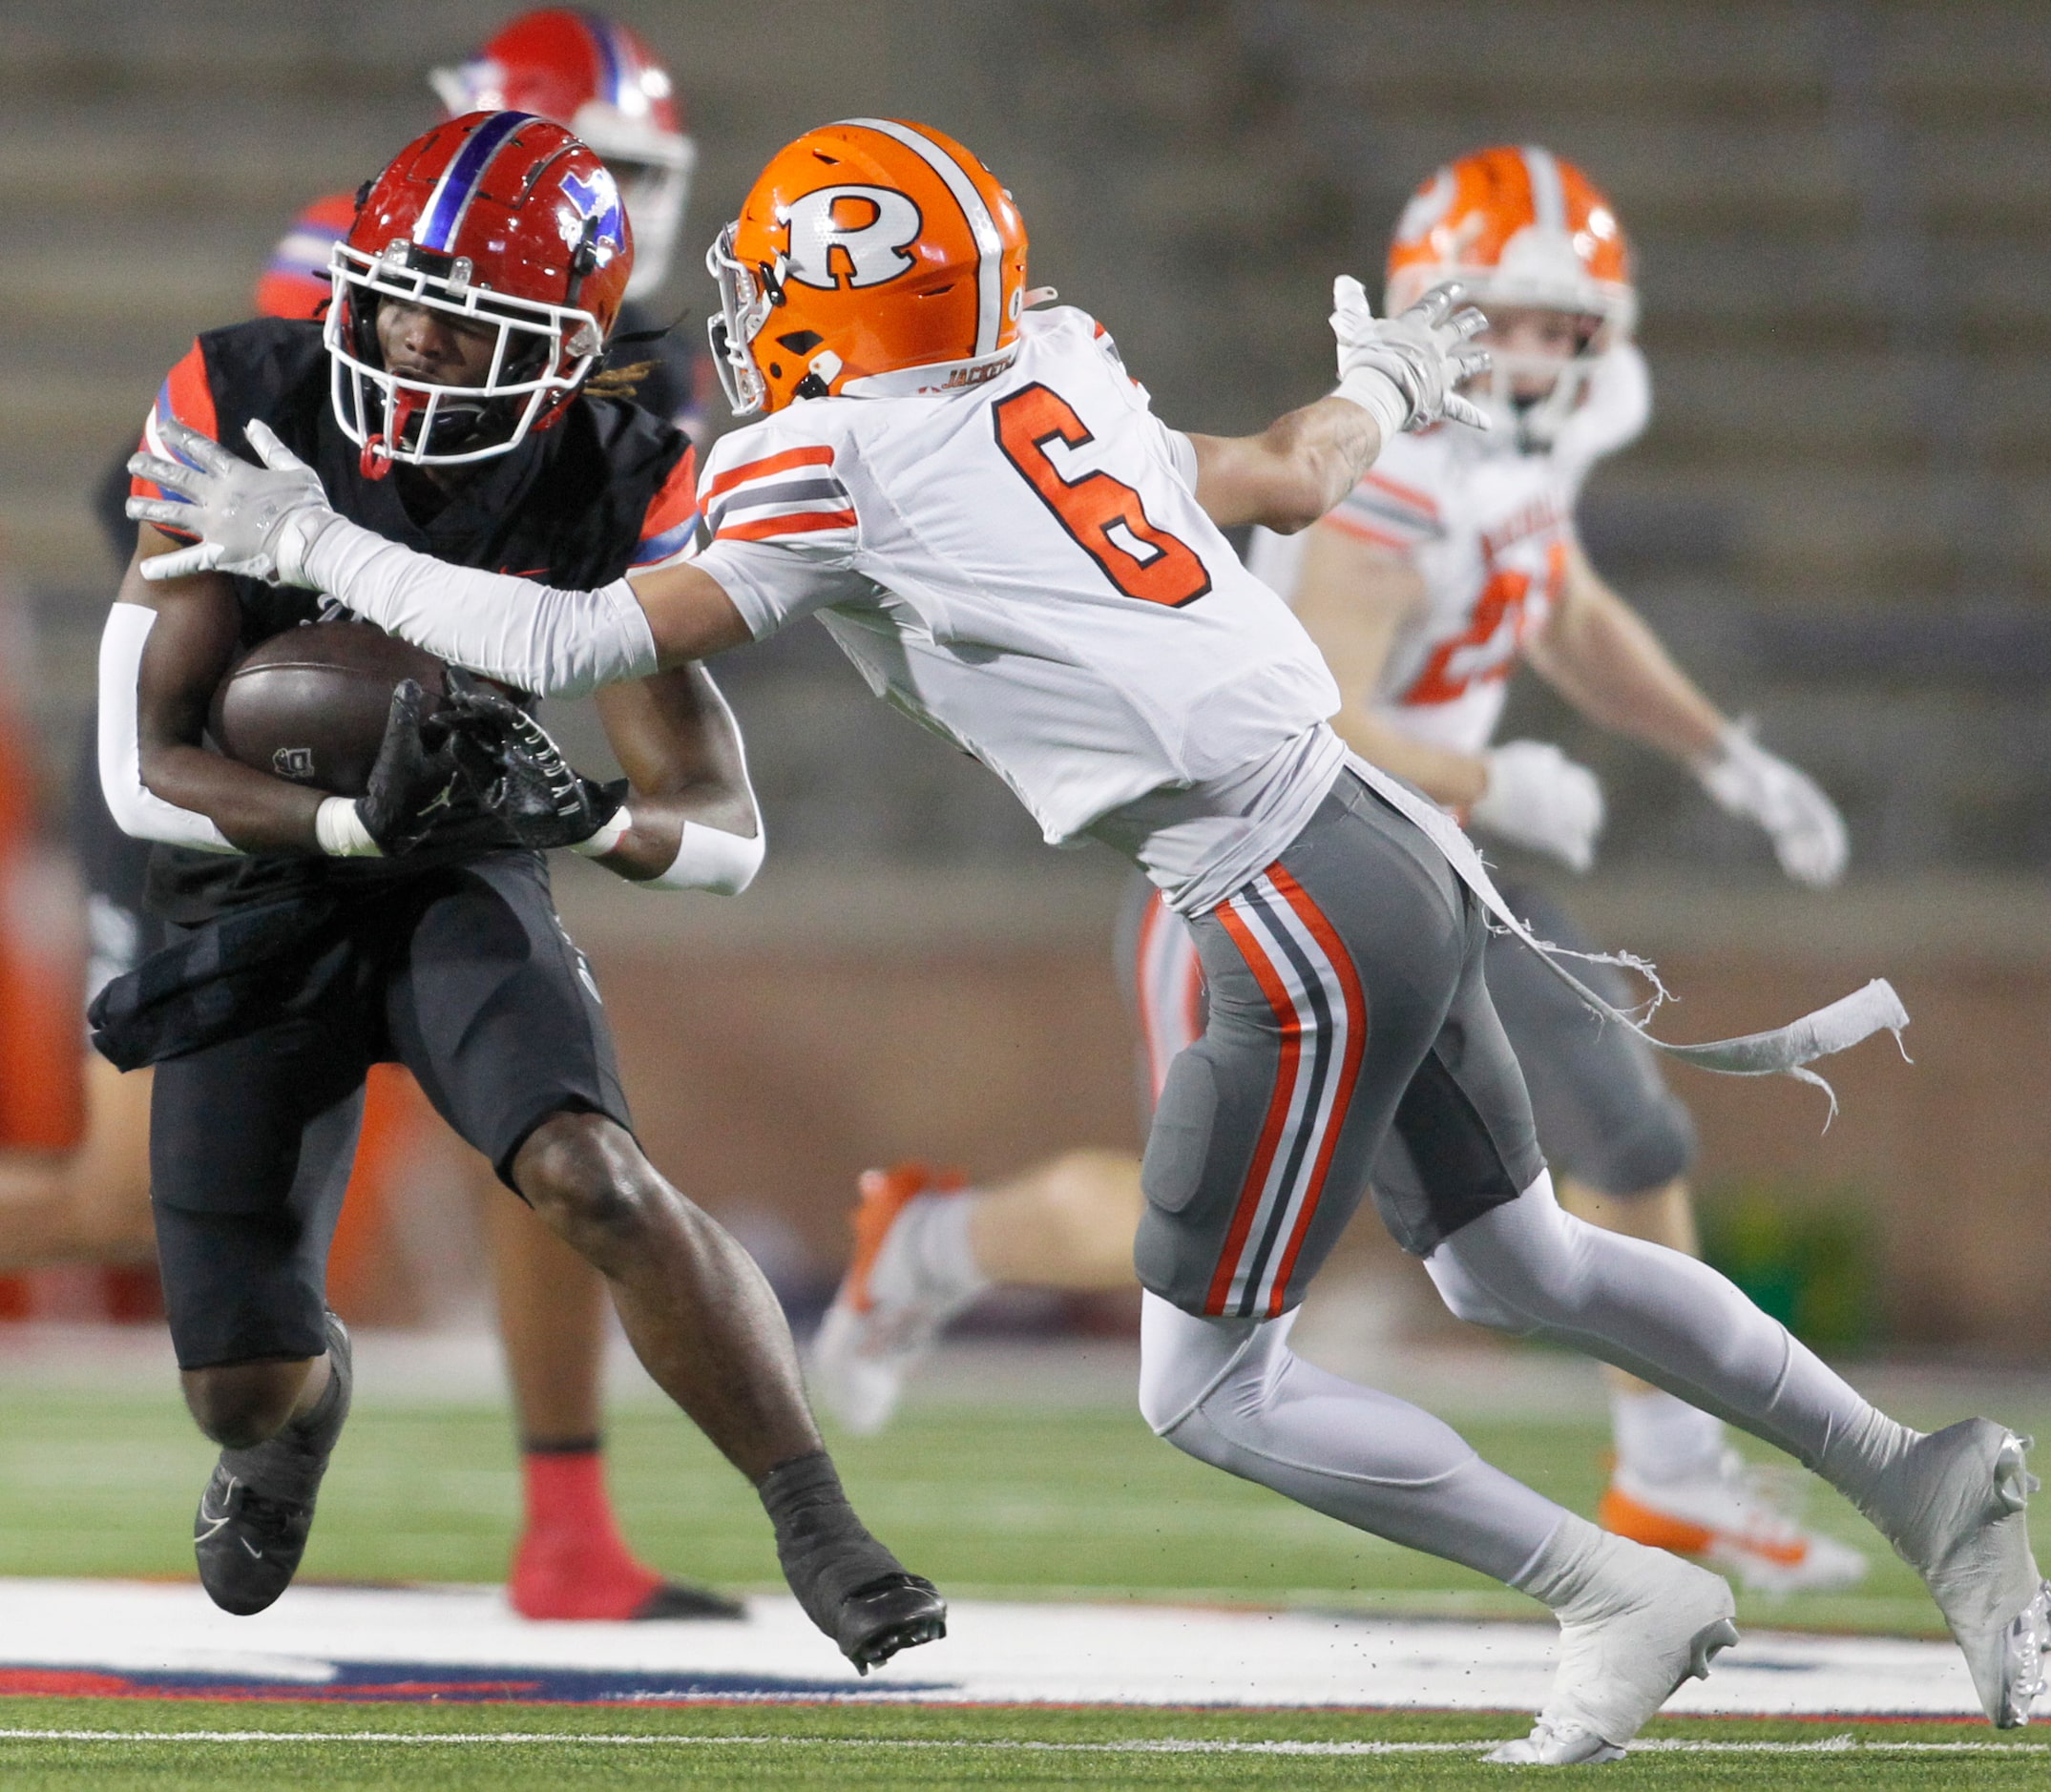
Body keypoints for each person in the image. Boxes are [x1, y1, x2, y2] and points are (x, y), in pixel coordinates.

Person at [129, 115, 2048, 1760]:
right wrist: (1385, 383)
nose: (733, 327)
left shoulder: (824, 462)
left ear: (821, 303)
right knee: (1517, 1261)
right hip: (1368, 839)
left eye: (765, 290)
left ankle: (1615, 1591)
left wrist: (305, 542)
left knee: (1206, 1386)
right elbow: (1294, 474)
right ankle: (1913, 1471)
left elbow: (560, 645)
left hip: (1284, 895)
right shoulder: (1054, 371)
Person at [808, 145, 1865, 1596]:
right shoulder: (1400, 481)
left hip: (1423, 858)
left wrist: (1721, 752)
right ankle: (927, 1242)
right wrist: (1496, 774)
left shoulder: (1505, 461)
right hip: (1293, 849)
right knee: (1179, 1232)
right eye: (1506, 319)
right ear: (1443, 310)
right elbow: (1332, 703)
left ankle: (1671, 1473)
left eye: (1563, 323)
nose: (1538, 352)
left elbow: (1557, 603)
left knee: (1622, 1136)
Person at [99, 112, 945, 1675]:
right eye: (394, 295)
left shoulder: (615, 466)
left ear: (562, 351)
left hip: (450, 862)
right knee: (239, 1381)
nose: (408, 336)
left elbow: (719, 826)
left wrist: (583, 816)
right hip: (245, 871)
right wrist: (346, 818)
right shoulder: (244, 393)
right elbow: (141, 762)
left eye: (461, 318)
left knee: (592, 1176)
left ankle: (819, 1517)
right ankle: (299, 1410)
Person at [19, 9, 725, 1623]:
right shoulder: (382, 283)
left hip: (437, 770)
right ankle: (452, 1479)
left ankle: (566, 1527)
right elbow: (212, 508)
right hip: (232, 746)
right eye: (586, 158)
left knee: (560, 1129)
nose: (593, 196)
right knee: (112, 1199)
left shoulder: (622, 339)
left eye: (629, 173)